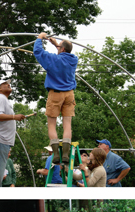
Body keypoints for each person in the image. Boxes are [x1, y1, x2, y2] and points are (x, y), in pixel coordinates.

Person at [34, 32, 78, 165]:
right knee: (67, 124)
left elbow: (38, 52)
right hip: (69, 94)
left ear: (62, 49)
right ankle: (65, 153)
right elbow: (64, 54)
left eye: (59, 47)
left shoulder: (53, 59)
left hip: (55, 94)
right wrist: (56, 45)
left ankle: (56, 155)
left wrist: (40, 38)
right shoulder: (73, 59)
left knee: (52, 124)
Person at [0, 79, 25, 187]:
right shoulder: (0, 98)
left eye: (9, 83)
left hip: (0, 140)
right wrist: (14, 117)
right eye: (4, 84)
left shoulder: (3, 99)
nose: (8, 84)